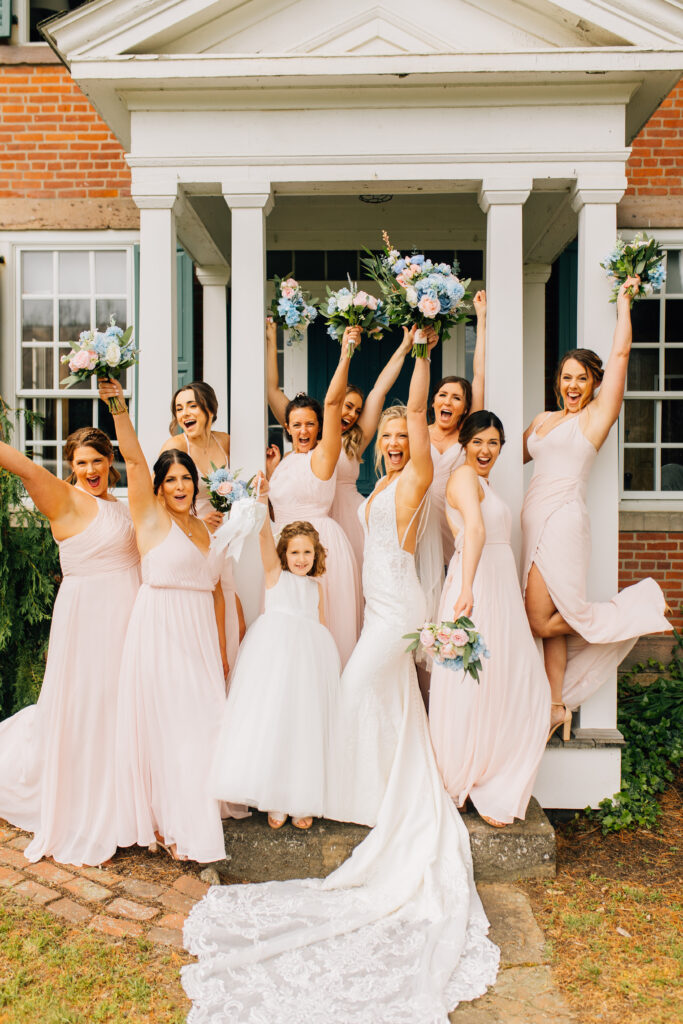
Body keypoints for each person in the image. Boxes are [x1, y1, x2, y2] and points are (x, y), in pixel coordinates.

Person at [180, 324, 500, 1023]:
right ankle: (382, 787)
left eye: (399, 437)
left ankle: (380, 802)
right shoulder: (380, 481)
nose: (393, 443)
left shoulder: (416, 476)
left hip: (399, 609)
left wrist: (419, 353)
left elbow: (414, 414)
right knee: (380, 698)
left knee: (356, 688)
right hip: (379, 597)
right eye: (386, 438)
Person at [99, 378, 245, 863]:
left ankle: (196, 805)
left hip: (201, 634)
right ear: (159, 487)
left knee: (207, 719)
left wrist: (224, 649)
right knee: (174, 726)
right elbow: (136, 461)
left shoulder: (207, 526)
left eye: (188, 480)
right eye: (173, 480)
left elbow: (219, 589)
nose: (181, 487)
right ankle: (174, 823)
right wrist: (118, 407)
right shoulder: (151, 517)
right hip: (160, 631)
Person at [522, 277, 671, 737]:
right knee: (549, 624)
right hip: (532, 521)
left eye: (581, 379)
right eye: (566, 377)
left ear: (594, 385)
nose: (572, 385)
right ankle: (554, 706)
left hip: (564, 521)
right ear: (557, 382)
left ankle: (629, 610)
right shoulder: (544, 420)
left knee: (540, 619)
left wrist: (625, 305)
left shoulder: (595, 418)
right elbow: (503, 458)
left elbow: (622, 356)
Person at [0, 427, 140, 866]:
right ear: (70, 466)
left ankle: (125, 797)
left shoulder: (121, 504)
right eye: (81, 462)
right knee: (90, 702)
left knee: (122, 701)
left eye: (97, 460)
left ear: (109, 460)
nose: (90, 469)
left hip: (130, 614)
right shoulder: (61, 496)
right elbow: (17, 462)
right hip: (88, 618)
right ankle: (87, 799)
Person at [429, 411, 549, 828]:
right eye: (478, 441)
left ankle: (484, 773)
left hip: (494, 583)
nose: (486, 450)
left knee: (500, 679)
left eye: (494, 442)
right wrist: (466, 589)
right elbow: (475, 531)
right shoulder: (463, 477)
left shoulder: (482, 481)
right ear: (464, 443)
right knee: (472, 681)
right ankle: (465, 777)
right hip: (477, 585)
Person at [211, 496, 340, 832]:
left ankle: (302, 798)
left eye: (307, 552)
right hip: (276, 660)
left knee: (304, 726)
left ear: (316, 555)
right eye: (295, 552)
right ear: (285, 554)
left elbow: (320, 626)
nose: (301, 559)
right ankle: (276, 797)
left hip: (309, 662)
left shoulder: (316, 587)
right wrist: (261, 498)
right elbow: (264, 537)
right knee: (276, 721)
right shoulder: (274, 575)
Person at [267, 318, 414, 569]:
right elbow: (271, 390)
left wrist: (404, 347)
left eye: (357, 410)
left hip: (346, 516)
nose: (352, 415)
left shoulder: (352, 442)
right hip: (309, 518)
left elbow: (379, 391)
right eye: (348, 406)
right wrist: (272, 339)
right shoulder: (308, 431)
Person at [266, 327, 362, 665]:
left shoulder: (323, 456)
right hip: (283, 548)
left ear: (319, 427)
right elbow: (270, 389)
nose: (303, 430)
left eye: (310, 424)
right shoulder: (282, 463)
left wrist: (346, 351)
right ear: (287, 428)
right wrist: (270, 339)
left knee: (324, 628)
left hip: (322, 546)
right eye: (296, 424)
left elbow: (334, 402)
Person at [160, 381, 245, 672]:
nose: (184, 414)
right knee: (209, 606)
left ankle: (229, 676)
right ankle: (206, 669)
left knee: (233, 613)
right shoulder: (174, 446)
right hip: (191, 535)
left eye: (192, 406)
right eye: (179, 408)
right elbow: (157, 500)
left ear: (209, 409)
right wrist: (196, 521)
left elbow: (243, 482)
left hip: (227, 534)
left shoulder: (226, 441)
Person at [429, 290, 487, 563]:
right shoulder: (417, 434)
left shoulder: (467, 435)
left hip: (453, 520)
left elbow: (479, 374)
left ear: (465, 408)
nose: (448, 401)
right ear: (433, 403)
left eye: (456, 398)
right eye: (442, 395)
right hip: (421, 521)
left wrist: (481, 319)